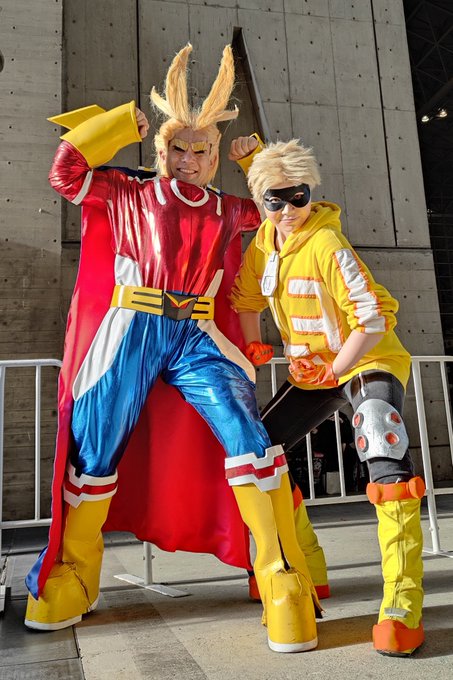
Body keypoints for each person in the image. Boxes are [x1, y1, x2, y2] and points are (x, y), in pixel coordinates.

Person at [24, 45, 321, 653]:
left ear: (215, 153)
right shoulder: (125, 192)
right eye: (179, 149)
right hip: (130, 326)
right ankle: (75, 573)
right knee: (96, 443)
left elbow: (287, 212)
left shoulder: (230, 209)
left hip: (199, 333)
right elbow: (65, 174)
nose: (191, 160)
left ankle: (280, 576)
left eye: (203, 150)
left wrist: (255, 161)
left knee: (249, 437)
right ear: (161, 151)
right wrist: (117, 126)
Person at [230, 138, 425, 657]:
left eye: (298, 196)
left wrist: (335, 368)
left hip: (365, 362)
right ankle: (300, 568)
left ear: (310, 192)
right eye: (275, 200)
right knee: (260, 451)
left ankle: (402, 603)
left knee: (384, 454)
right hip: (313, 372)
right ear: (261, 202)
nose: (289, 209)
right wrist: (254, 342)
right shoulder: (264, 243)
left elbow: (373, 318)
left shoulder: (327, 243)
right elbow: (246, 297)